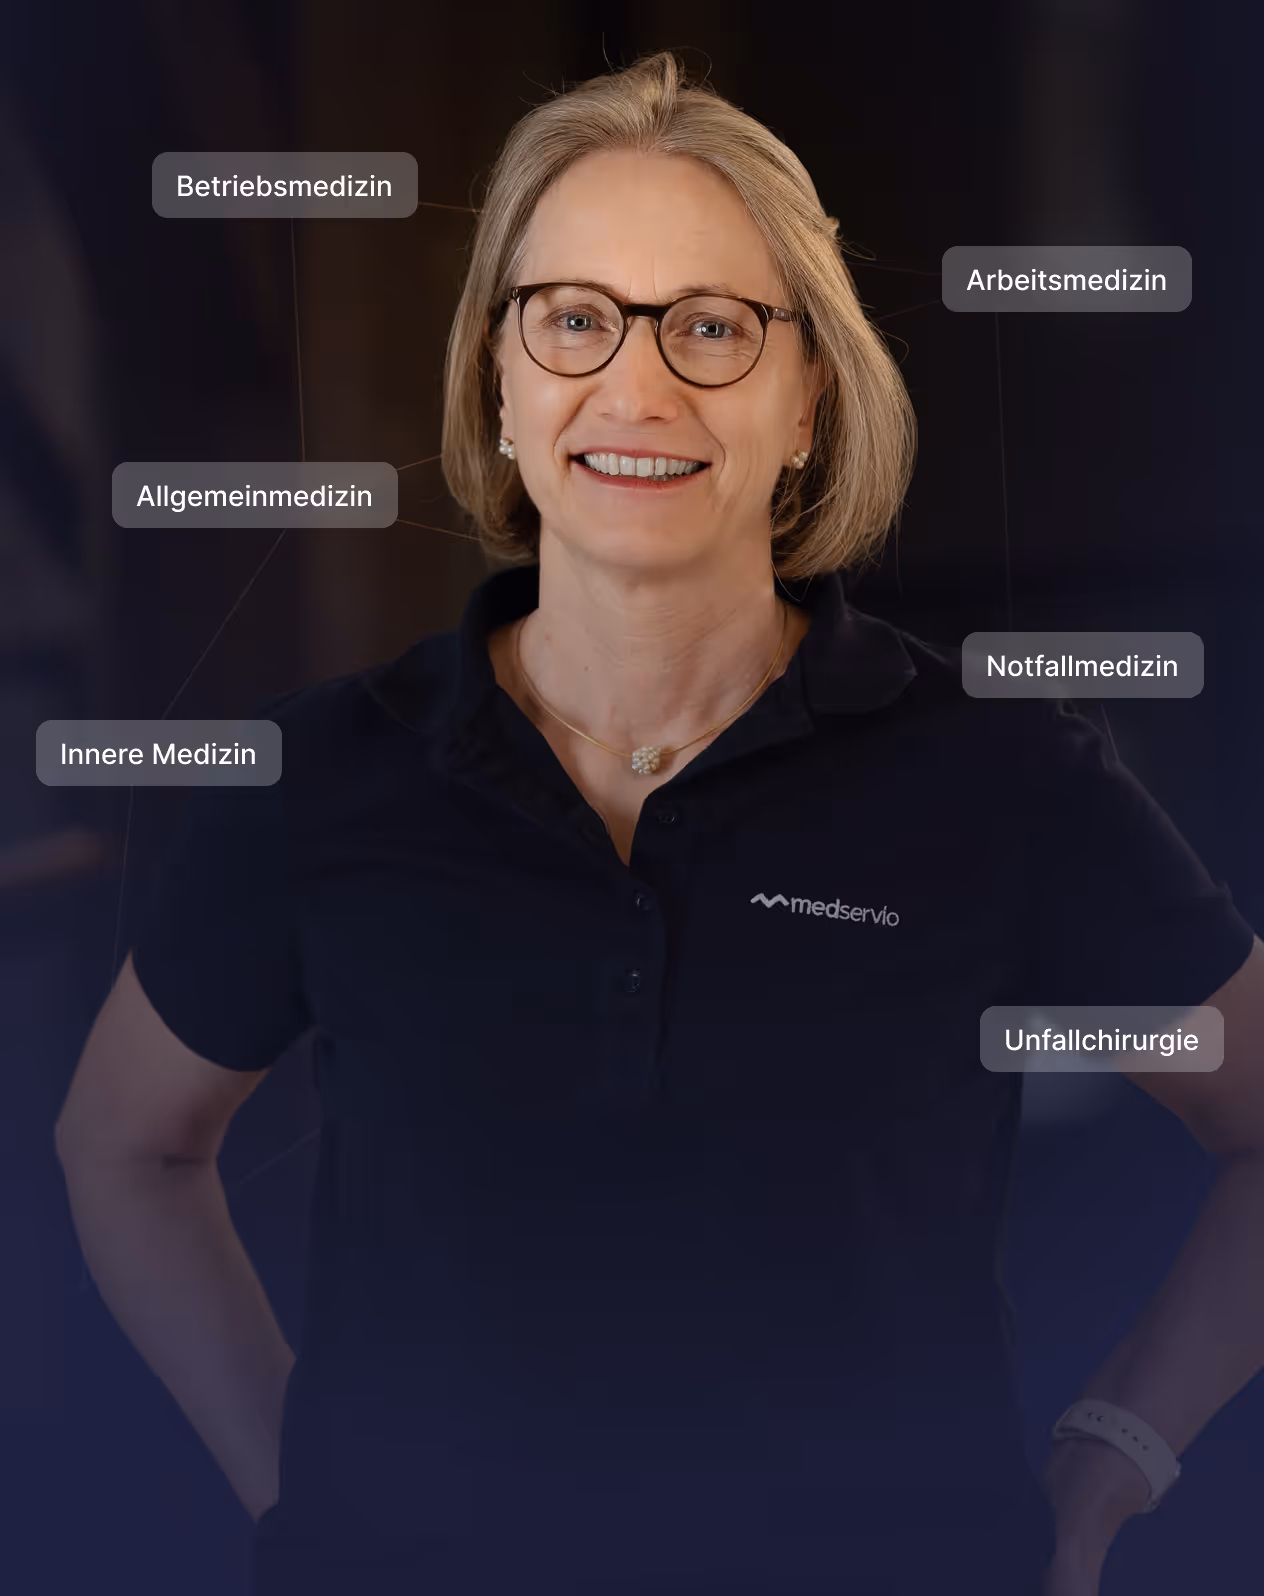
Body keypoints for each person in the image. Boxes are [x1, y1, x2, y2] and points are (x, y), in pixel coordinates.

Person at [55, 50, 1264, 1596]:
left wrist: (1115, 1456)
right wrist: (292, 1481)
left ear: (809, 398)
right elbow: (123, 1144)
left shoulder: (1002, 774)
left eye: (711, 328)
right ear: (498, 380)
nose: (635, 386)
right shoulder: (320, 778)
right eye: (574, 321)